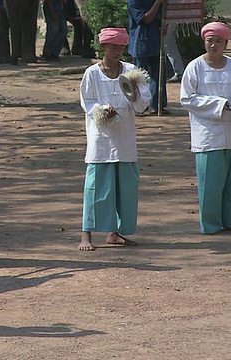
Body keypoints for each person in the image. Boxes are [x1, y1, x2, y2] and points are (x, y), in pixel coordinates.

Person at [77, 28, 151, 251]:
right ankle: (85, 235)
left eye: (120, 47)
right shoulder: (92, 73)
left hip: (125, 140)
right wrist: (101, 111)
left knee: (124, 189)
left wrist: (135, 93)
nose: (117, 51)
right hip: (101, 141)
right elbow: (87, 102)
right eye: (112, 47)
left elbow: (142, 105)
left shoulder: (130, 72)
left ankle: (114, 233)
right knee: (95, 188)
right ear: (104, 48)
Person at [179, 21, 231, 235]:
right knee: (210, 182)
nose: (214, 45)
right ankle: (211, 224)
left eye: (219, 42)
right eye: (210, 41)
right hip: (208, 133)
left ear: (226, 43)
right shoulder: (195, 67)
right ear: (204, 42)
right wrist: (219, 104)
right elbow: (187, 98)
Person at [127, 0, 168, 115]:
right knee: (139, 77)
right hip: (140, 42)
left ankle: (157, 104)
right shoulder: (133, 1)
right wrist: (157, 3)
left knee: (159, 74)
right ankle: (139, 106)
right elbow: (146, 18)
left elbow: (161, 17)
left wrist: (164, 27)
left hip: (156, 41)